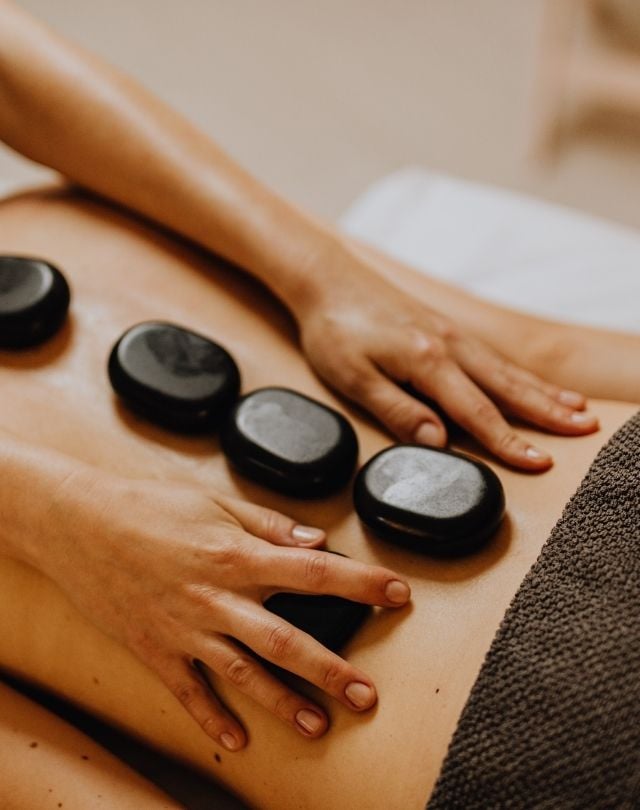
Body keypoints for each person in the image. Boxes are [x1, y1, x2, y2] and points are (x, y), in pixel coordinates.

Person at [0, 2, 638, 808]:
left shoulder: (89, 212)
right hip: (534, 746)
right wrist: (47, 517)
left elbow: (540, 355)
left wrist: (321, 275)